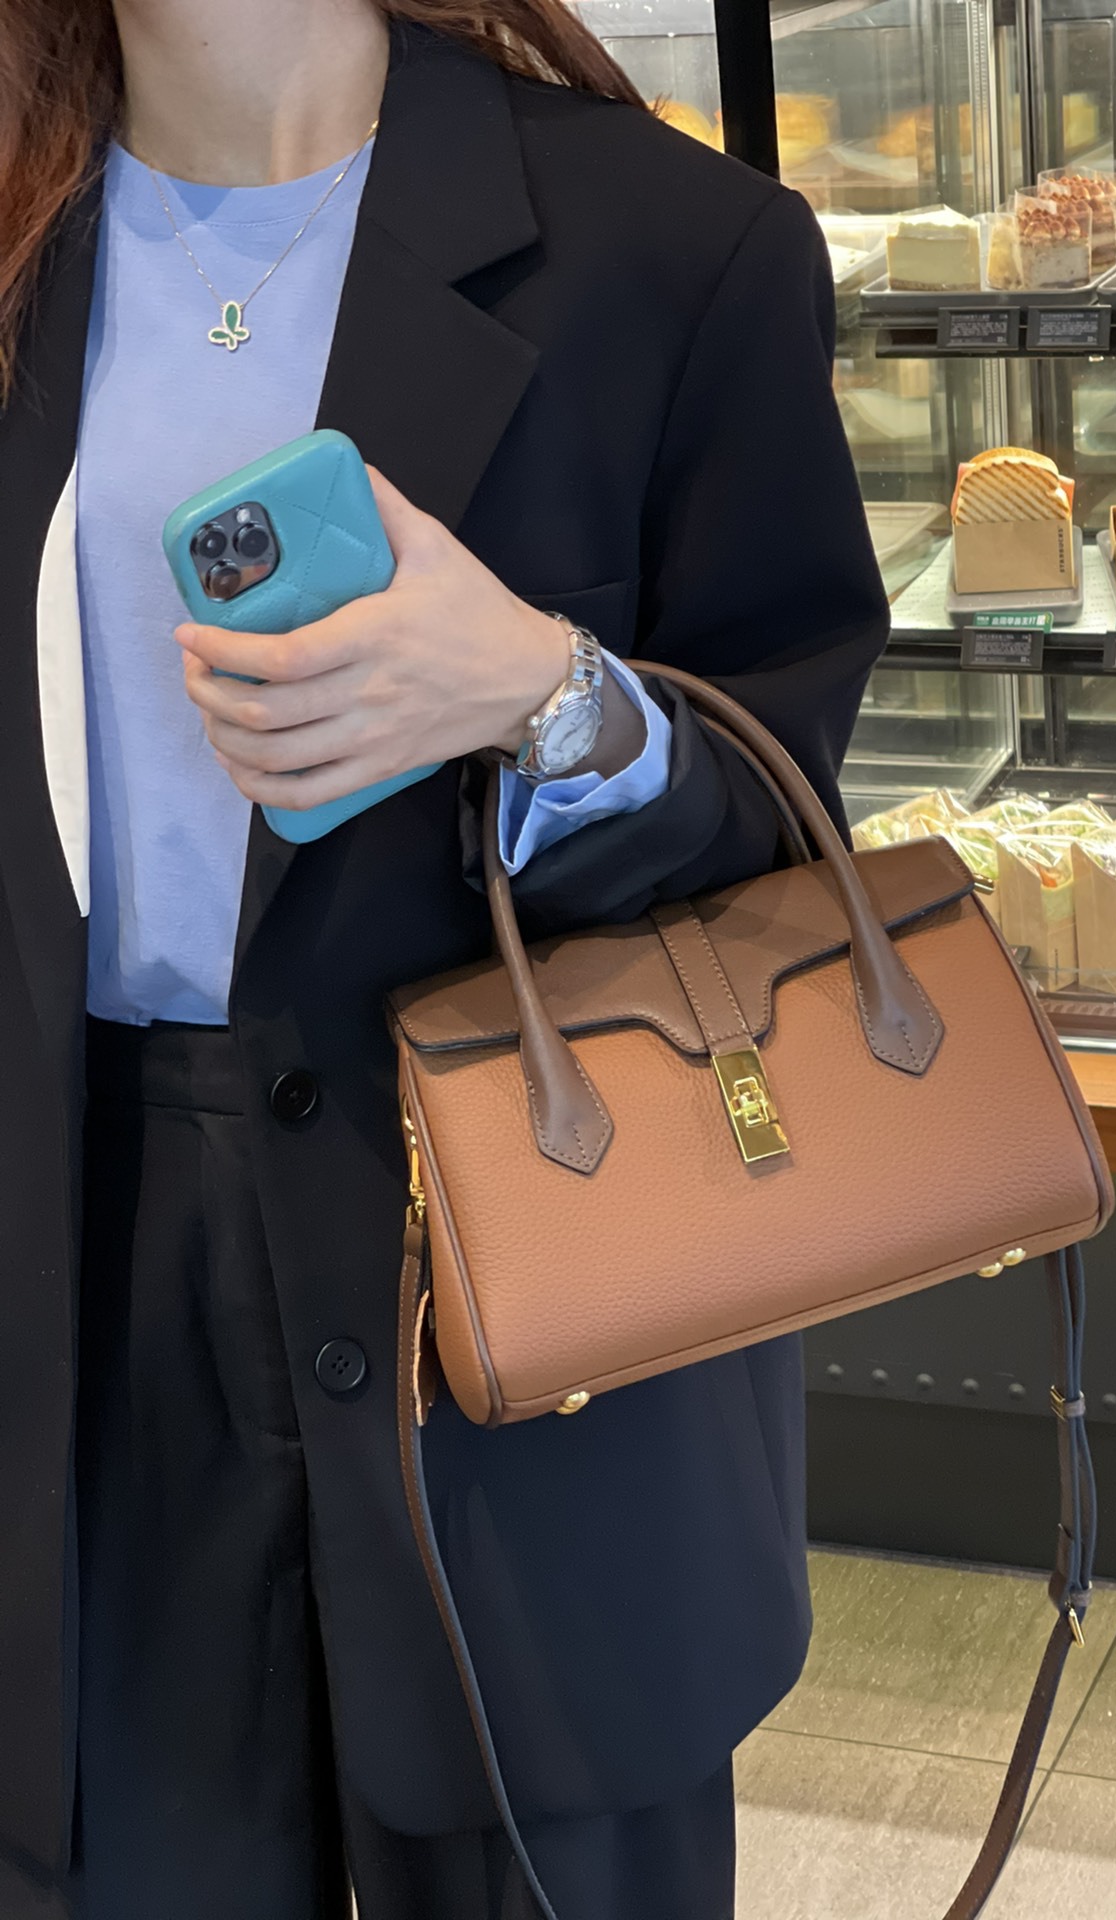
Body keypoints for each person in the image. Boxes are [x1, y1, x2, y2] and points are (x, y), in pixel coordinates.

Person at [0, 1, 889, 1914]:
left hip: (536, 1267)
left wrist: (549, 699)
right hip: (79, 1291)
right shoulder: (21, 243)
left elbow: (784, 819)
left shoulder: (669, 249)